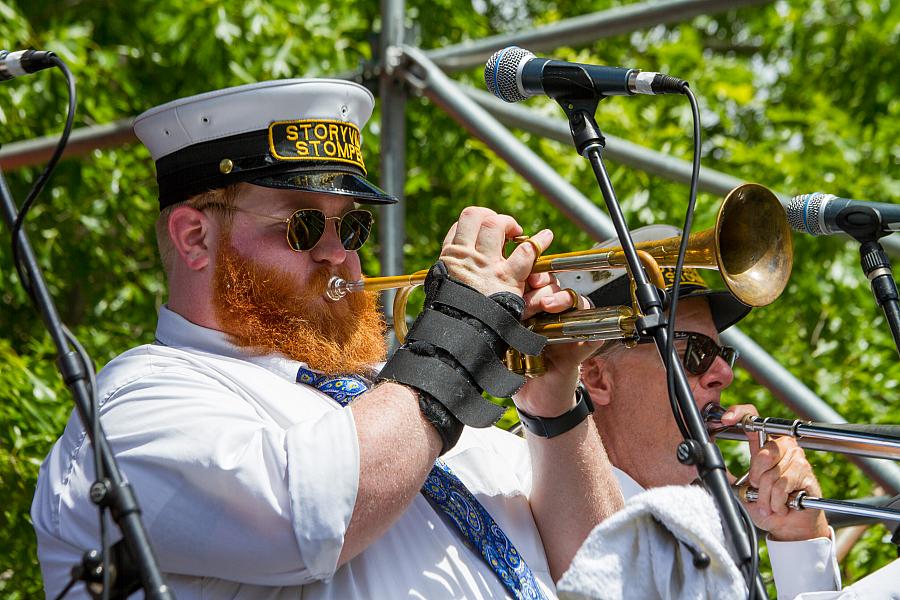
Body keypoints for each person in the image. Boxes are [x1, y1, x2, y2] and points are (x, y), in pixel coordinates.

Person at [31, 78, 624, 599]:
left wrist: (553, 406)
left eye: (354, 225)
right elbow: (308, 515)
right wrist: (456, 338)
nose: (338, 253)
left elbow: (607, 578)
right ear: (193, 238)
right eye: (303, 224)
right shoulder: (135, 402)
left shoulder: (399, 406)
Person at [558, 224, 841, 599]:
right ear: (597, 378)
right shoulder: (532, 513)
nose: (724, 373)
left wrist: (801, 539)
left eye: (722, 354)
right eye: (695, 352)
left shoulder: (707, 531)